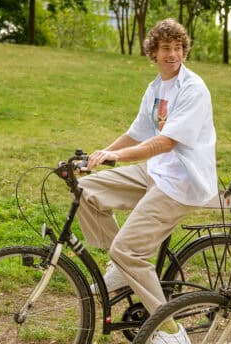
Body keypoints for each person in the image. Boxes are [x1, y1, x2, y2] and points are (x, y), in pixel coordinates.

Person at [82, 18, 216, 344]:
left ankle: (171, 331)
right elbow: (136, 133)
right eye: (165, 48)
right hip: (155, 172)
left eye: (177, 48)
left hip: (180, 182)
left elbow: (166, 142)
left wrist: (117, 158)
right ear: (152, 53)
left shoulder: (192, 89)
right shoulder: (156, 88)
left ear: (184, 51)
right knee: (86, 190)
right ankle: (125, 268)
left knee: (127, 250)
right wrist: (97, 156)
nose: (172, 54)